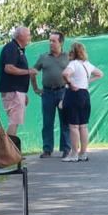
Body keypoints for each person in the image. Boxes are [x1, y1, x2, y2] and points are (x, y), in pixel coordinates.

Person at [61, 41, 103, 163]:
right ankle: (83, 153)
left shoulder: (73, 64)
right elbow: (100, 74)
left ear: (73, 52)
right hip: (85, 94)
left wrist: (70, 83)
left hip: (74, 94)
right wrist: (86, 81)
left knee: (73, 126)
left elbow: (65, 74)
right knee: (83, 125)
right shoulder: (87, 64)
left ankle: (74, 154)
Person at [31, 30, 71, 158]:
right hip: (47, 93)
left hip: (63, 92)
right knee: (47, 122)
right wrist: (36, 88)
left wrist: (70, 89)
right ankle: (47, 149)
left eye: (54, 41)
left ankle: (66, 148)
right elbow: (33, 71)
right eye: (50, 41)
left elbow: (74, 73)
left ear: (61, 43)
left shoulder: (68, 57)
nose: (51, 43)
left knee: (65, 121)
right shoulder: (43, 57)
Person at [0, 25, 36, 136]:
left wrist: (23, 93)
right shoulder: (12, 48)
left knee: (15, 122)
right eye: (28, 34)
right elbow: (8, 68)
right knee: (14, 122)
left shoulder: (19, 49)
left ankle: (10, 149)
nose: (30, 37)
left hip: (16, 91)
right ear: (21, 36)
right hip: (12, 91)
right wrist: (28, 71)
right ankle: (9, 149)